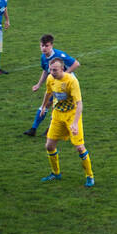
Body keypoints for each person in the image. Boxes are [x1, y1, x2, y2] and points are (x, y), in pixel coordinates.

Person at [39, 56, 95, 187]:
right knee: (49, 146)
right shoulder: (50, 78)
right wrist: (43, 106)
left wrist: (75, 123)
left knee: (80, 148)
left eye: (55, 70)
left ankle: (90, 176)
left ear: (62, 69)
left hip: (71, 115)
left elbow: (79, 104)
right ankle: (56, 173)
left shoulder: (71, 81)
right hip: (58, 115)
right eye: (51, 70)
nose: (52, 72)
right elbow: (48, 93)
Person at [26, 34, 79, 136]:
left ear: (51, 46)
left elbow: (76, 64)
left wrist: (63, 75)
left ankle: (50, 129)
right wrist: (38, 84)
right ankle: (35, 129)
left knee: (55, 106)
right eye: (42, 45)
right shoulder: (43, 57)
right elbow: (45, 71)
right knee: (47, 104)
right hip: (55, 84)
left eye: (46, 45)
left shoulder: (60, 55)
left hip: (67, 85)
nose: (44, 48)